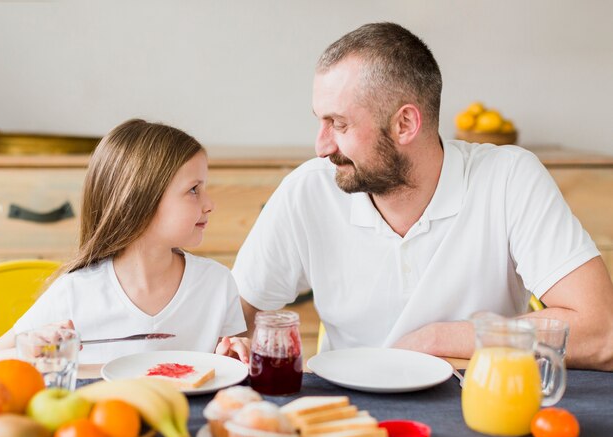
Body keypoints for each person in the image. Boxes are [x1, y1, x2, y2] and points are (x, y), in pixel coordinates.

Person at [232, 22, 613, 370]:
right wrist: (231, 342)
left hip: (476, 406)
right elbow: (234, 320)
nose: (321, 146)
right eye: (320, 120)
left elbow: (601, 331)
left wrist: (440, 338)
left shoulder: (509, 177)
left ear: (405, 124)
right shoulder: (309, 189)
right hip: (347, 408)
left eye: (340, 123)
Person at [0, 119, 249, 364]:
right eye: (194, 190)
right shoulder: (73, 293)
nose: (209, 204)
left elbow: (226, 363)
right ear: (139, 201)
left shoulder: (217, 283)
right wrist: (29, 348)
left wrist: (234, 355)